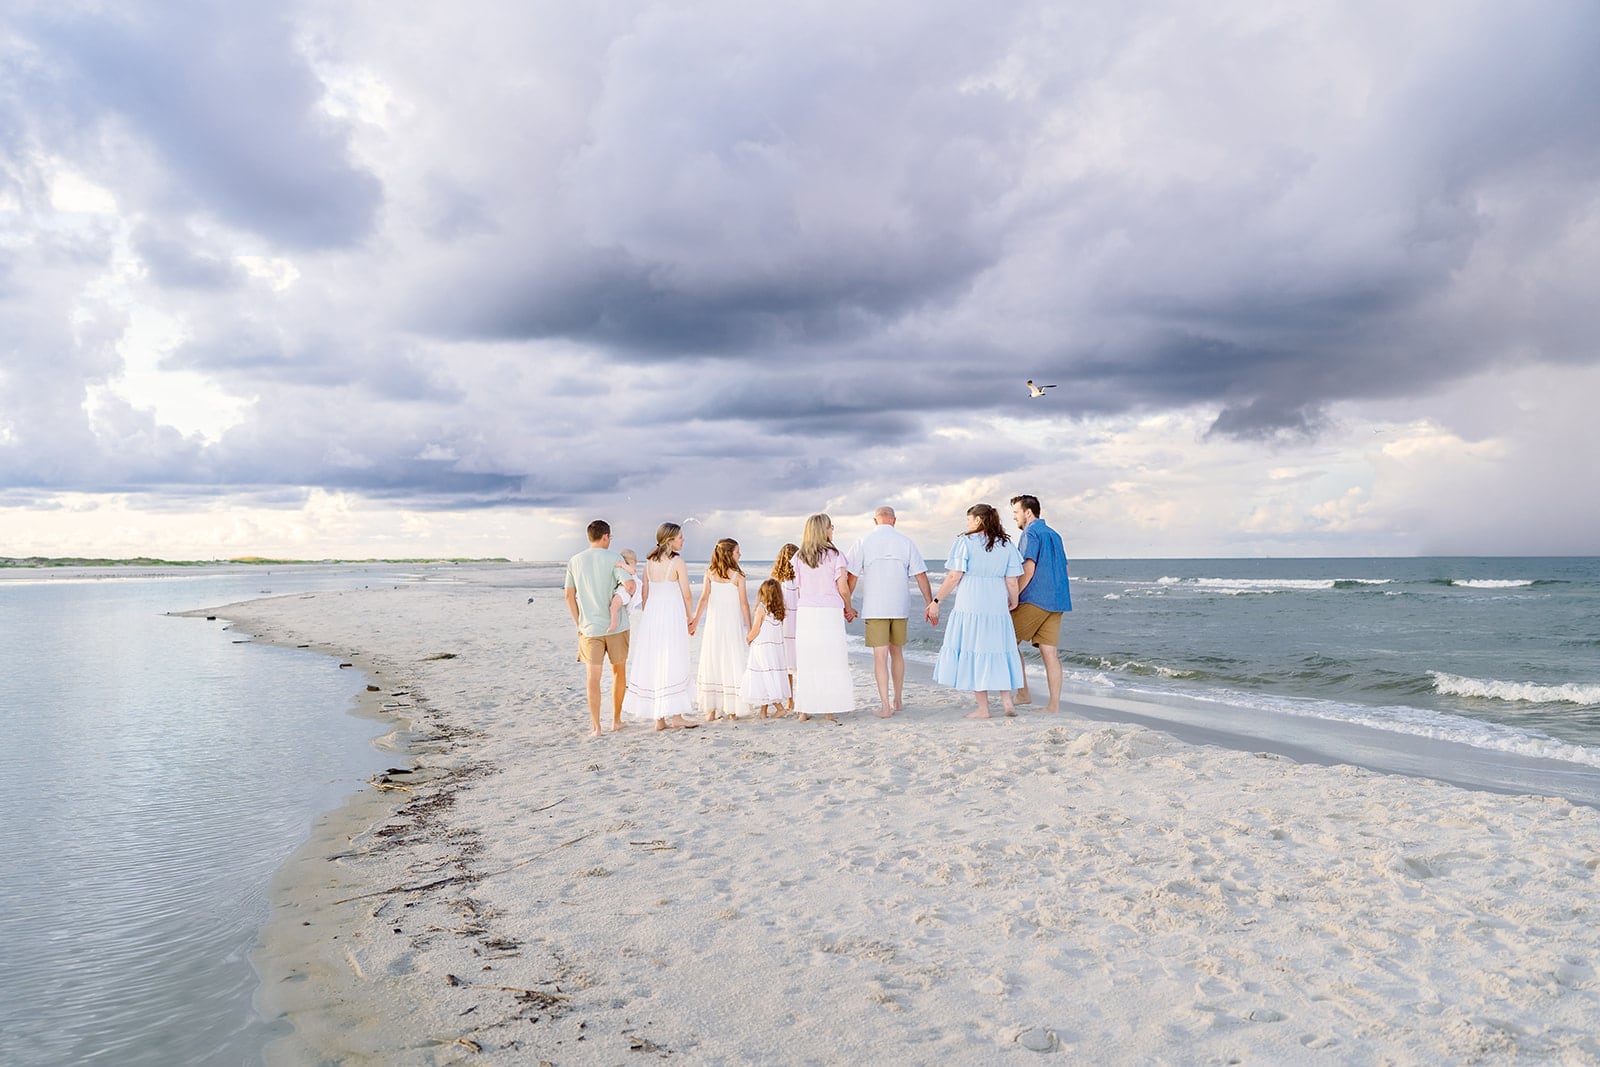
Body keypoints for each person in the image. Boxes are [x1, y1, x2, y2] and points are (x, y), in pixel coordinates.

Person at [925, 504, 1025, 719]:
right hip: (996, 604)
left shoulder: (964, 542)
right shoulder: (1006, 544)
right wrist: (1014, 601)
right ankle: (1007, 702)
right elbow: (1012, 580)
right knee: (998, 649)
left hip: (971, 602)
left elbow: (954, 576)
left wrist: (936, 600)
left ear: (979, 520)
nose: (968, 523)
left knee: (975, 649)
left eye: (969, 519)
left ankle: (983, 708)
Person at [845, 506, 934, 717]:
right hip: (899, 606)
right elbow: (921, 575)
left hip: (875, 608)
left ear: (875, 521)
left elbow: (851, 576)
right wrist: (930, 603)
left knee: (880, 656)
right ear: (894, 520)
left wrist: (846, 606)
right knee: (897, 653)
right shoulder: (906, 542)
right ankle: (898, 700)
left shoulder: (863, 541)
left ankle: (885, 706)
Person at [621, 523, 698, 731]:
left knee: (656, 661)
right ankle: (676, 716)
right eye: (680, 537)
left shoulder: (649, 562)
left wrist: (650, 616)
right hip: (671, 615)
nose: (683, 540)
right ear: (670, 540)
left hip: (652, 617)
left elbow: (645, 593)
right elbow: (687, 594)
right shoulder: (677, 562)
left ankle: (659, 719)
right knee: (673, 658)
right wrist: (690, 618)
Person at [564, 519, 635, 736]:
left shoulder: (575, 561)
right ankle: (616, 720)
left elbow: (569, 595)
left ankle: (596, 727)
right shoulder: (615, 558)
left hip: (589, 629)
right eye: (609, 538)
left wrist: (579, 623)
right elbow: (630, 585)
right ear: (605, 536)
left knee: (592, 679)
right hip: (617, 628)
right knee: (618, 673)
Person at [1010, 494, 1073, 713]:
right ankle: (1053, 705)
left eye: (1016, 513)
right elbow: (1065, 569)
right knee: (1050, 654)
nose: (1014, 517)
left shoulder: (1031, 532)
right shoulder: (1054, 534)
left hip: (1035, 599)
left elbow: (1028, 569)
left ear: (1028, 512)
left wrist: (1013, 596)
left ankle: (1023, 693)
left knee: (1006, 642)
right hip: (1058, 601)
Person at [792, 514, 858, 722]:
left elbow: (799, 588)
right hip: (829, 612)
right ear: (823, 530)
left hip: (807, 612)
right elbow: (843, 588)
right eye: (831, 527)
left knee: (808, 659)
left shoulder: (799, 556)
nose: (833, 530)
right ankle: (829, 710)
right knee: (831, 658)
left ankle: (804, 709)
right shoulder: (835, 555)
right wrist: (849, 608)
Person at [692, 537, 751, 720]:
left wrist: (695, 620)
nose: (740, 555)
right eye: (737, 552)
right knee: (731, 659)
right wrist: (750, 627)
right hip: (730, 625)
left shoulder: (709, 573)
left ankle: (712, 710)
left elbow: (703, 599)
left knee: (714, 659)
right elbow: (744, 605)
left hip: (714, 625)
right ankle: (731, 710)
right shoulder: (738, 576)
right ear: (729, 554)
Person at [741, 578, 792, 719]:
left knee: (765, 676)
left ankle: (779, 708)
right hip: (775, 650)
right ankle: (763, 711)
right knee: (766, 676)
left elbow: (756, 629)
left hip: (762, 648)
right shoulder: (779, 609)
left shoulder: (762, 608)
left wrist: (748, 638)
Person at [772, 543, 800, 713]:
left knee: (787, 666)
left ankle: (790, 700)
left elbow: (775, 604)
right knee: (800, 663)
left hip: (784, 624)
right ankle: (800, 698)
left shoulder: (777, 580)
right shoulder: (800, 578)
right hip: (798, 623)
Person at [608, 549, 640, 634]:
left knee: (613, 607)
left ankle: (613, 624)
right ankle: (615, 622)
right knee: (615, 608)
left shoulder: (632, 571)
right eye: (624, 563)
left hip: (624, 593)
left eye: (628, 564)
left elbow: (632, 571)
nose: (626, 566)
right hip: (623, 592)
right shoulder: (624, 570)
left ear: (635, 562)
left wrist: (622, 564)